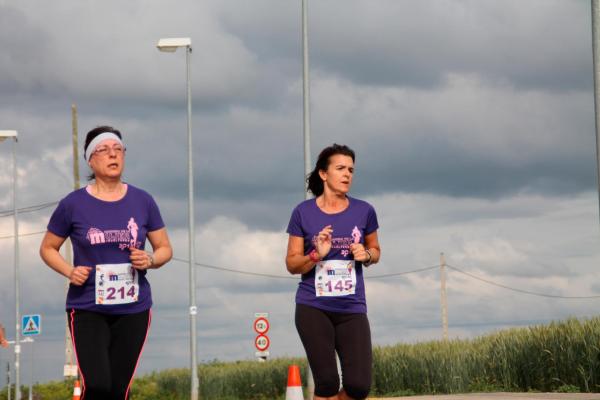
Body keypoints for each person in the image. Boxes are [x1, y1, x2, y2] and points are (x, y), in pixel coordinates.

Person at [40, 126, 172, 400]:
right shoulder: (73, 204)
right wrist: (69, 271)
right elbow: (48, 248)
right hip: (88, 306)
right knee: (98, 385)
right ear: (90, 159)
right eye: (104, 150)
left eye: (118, 149)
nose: (113, 155)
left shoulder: (143, 200)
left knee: (117, 389)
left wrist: (150, 259)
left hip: (133, 307)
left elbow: (164, 249)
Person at [285, 144, 381, 400]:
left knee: (359, 386)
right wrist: (317, 254)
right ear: (323, 174)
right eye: (340, 168)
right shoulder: (303, 212)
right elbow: (292, 264)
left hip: (352, 308)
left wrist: (367, 255)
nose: (347, 174)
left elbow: (375, 250)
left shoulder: (364, 211)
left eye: (351, 169)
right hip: (313, 307)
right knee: (326, 383)